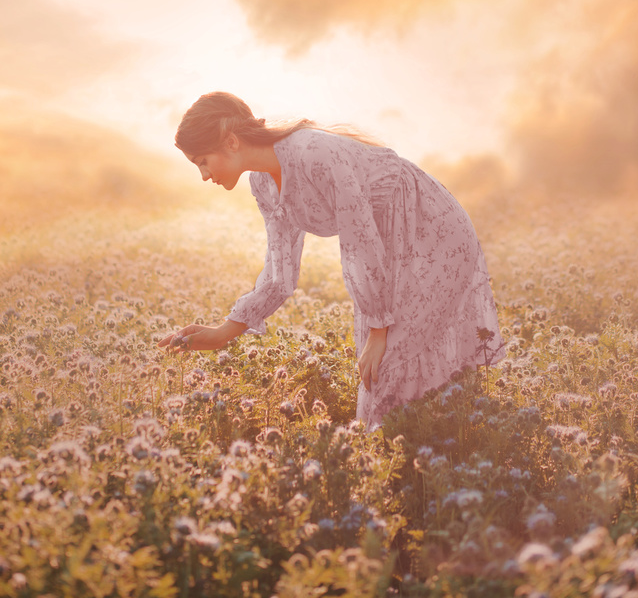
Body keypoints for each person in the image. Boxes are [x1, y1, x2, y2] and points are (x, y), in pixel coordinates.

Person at [158, 92, 505, 431]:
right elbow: (280, 273)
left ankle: (426, 456)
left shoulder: (312, 152)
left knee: (386, 362)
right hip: (387, 248)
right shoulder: (262, 184)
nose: (204, 175)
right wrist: (222, 333)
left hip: (430, 227)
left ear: (231, 142)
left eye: (202, 161)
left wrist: (379, 329)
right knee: (378, 373)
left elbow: (360, 242)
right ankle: (410, 455)